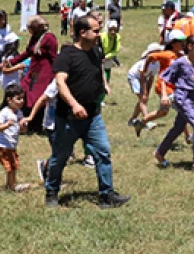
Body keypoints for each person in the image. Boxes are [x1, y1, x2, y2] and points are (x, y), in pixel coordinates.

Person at [44, 16, 130, 209]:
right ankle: (51, 192)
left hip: (93, 116)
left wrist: (104, 83)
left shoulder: (96, 51)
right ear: (83, 33)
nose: (99, 34)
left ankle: (106, 195)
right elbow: (60, 82)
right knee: (60, 156)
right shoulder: (66, 56)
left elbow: (99, 67)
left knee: (103, 153)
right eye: (96, 30)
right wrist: (74, 104)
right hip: (68, 117)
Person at [153, 34, 194, 171]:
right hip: (181, 98)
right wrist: (164, 95)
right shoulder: (180, 62)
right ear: (190, 47)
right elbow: (164, 77)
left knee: (178, 128)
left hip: (191, 98)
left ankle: (160, 152)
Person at [0, 84, 32, 192]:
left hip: (12, 146)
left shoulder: (19, 112)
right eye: (18, 99)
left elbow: (22, 131)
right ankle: (12, 186)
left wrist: (23, 126)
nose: (21, 101)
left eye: (22, 98)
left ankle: (10, 185)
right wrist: (7, 125)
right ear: (9, 100)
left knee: (14, 166)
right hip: (2, 146)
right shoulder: (5, 112)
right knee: (10, 167)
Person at [101, 19, 121, 93]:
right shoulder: (102, 36)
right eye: (111, 30)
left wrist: (106, 57)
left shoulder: (117, 37)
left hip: (108, 58)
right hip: (100, 57)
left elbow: (116, 50)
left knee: (107, 78)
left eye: (115, 30)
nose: (113, 32)